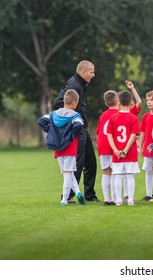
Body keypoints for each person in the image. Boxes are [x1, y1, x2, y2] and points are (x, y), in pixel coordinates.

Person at [53, 60, 98, 202]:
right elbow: (59, 103)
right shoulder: (73, 85)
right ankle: (69, 196)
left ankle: (90, 195)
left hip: (83, 128)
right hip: (78, 130)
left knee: (90, 162)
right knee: (77, 163)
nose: (93, 75)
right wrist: (74, 118)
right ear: (83, 72)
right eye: (91, 72)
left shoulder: (80, 84)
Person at [38, 89, 86, 206]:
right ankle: (64, 200)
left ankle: (78, 193)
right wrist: (71, 135)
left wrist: (52, 131)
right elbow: (78, 125)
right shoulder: (75, 115)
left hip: (57, 147)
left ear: (64, 100)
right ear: (75, 102)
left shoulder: (54, 114)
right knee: (68, 173)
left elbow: (41, 121)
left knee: (67, 173)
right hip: (69, 146)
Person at [107, 90, 141, 206]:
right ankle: (130, 200)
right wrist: (125, 150)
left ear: (118, 102)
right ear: (131, 102)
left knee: (118, 175)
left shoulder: (113, 117)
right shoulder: (134, 118)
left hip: (116, 152)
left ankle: (118, 200)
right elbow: (133, 136)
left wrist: (115, 150)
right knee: (130, 176)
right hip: (130, 152)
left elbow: (109, 135)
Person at [95, 90, 119, 205]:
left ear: (105, 103)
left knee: (105, 172)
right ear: (118, 101)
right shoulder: (119, 114)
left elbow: (98, 132)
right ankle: (114, 198)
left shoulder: (103, 115)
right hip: (115, 147)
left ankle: (106, 199)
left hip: (103, 146)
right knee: (115, 172)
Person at [138, 90, 153, 201]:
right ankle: (148, 194)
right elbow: (142, 131)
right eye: (147, 100)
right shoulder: (145, 116)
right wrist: (141, 145)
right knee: (148, 170)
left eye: (151, 100)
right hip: (148, 147)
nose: (149, 102)